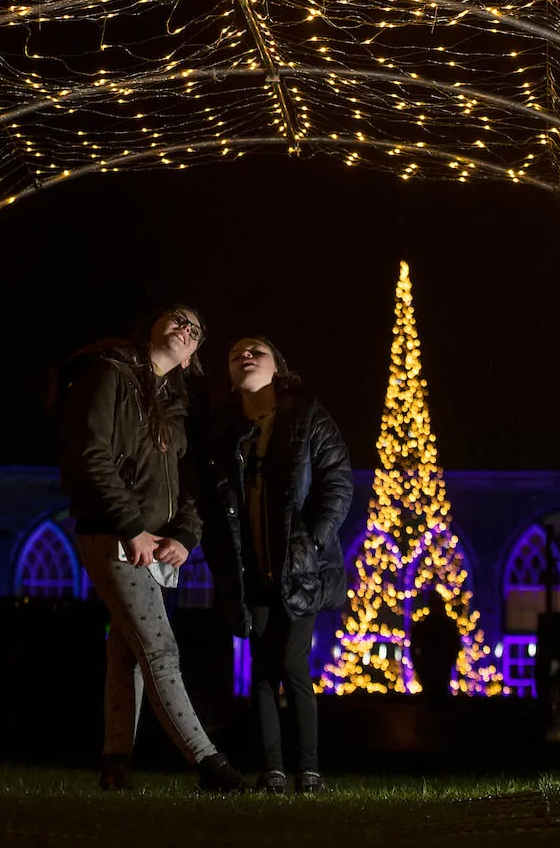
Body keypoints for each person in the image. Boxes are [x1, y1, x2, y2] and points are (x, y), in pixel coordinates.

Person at [57, 306, 244, 794]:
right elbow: (91, 454)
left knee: (126, 652)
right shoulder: (109, 373)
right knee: (160, 650)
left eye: (195, 331)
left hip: (153, 546)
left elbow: (189, 485)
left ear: (192, 359)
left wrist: (184, 535)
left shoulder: (176, 407)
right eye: (177, 319)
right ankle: (209, 764)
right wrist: (132, 528)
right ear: (152, 328)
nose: (186, 329)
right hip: (113, 534)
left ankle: (115, 764)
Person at [197, 337, 352, 795]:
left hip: (301, 568)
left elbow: (337, 483)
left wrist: (310, 542)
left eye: (256, 350)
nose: (244, 355)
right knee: (261, 668)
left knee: (290, 660)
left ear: (277, 366)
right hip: (251, 570)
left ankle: (309, 771)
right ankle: (273, 772)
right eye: (234, 353)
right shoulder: (222, 430)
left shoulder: (307, 417)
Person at [409, 587, 461, 704]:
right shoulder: (429, 626)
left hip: (437, 669)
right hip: (431, 669)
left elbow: (455, 647)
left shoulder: (443, 626)